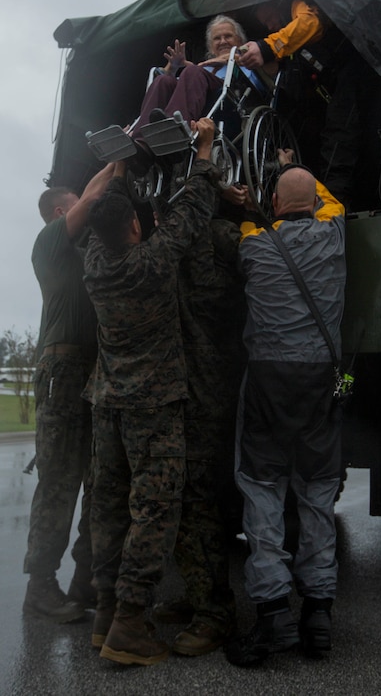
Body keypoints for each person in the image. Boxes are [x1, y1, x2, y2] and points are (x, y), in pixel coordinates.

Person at [82, 118, 221, 666]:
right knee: (153, 512)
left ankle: (103, 614)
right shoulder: (152, 264)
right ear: (135, 230)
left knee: (109, 510)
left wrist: (119, 166)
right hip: (153, 410)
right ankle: (130, 626)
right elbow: (189, 213)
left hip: (106, 408)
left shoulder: (95, 266)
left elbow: (105, 218)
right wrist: (204, 151)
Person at [225, 150, 346, 667]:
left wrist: (260, 186)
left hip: (269, 384)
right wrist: (295, 165)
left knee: (262, 491)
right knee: (317, 494)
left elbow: (251, 219)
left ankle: (273, 613)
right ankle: (317, 615)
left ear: (274, 203)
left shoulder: (253, 245)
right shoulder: (334, 235)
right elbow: (329, 200)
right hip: (322, 381)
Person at [23, 162, 117, 623]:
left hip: (89, 371)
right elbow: (93, 199)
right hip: (62, 370)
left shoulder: (83, 252)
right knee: (60, 482)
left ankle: (86, 582)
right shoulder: (52, 241)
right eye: (76, 203)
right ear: (62, 210)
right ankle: (40, 588)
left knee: (97, 482)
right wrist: (117, 160)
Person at [155, 211, 247, 657]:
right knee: (189, 497)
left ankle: (216, 612)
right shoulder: (203, 242)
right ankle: (199, 597)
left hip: (210, 394)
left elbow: (214, 289)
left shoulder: (222, 244)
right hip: (188, 391)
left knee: (199, 499)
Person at [237, 0, 378, 210]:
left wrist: (266, 47)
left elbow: (311, 23)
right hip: (322, 109)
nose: (270, 25)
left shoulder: (299, 5)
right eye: (265, 24)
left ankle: (335, 214)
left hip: (353, 82)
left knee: (339, 145)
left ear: (279, 6)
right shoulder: (290, 50)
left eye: (270, 18)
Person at [131, 15, 248, 138]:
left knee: (193, 71)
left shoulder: (248, 61)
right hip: (198, 98)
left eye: (228, 36)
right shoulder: (202, 69)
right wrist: (172, 68)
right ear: (210, 47)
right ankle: (140, 139)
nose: (223, 41)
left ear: (240, 41)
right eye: (217, 38)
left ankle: (175, 129)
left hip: (231, 98)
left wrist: (235, 56)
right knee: (163, 80)